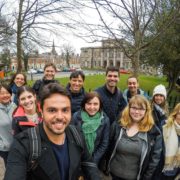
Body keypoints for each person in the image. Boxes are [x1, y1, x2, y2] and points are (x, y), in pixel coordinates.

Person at [4, 83, 100, 180]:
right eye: (52, 110)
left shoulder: (77, 134)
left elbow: (89, 163)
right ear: (41, 111)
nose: (59, 117)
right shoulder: (22, 144)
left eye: (65, 110)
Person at [107, 95, 162, 180]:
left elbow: (154, 161)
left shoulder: (153, 132)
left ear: (146, 111)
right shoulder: (118, 125)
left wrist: (146, 178)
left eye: (141, 109)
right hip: (113, 174)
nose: (136, 112)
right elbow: (108, 146)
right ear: (129, 108)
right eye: (134, 108)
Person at [72, 92, 110, 167]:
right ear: (84, 104)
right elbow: (72, 139)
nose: (92, 107)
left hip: (93, 159)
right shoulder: (76, 117)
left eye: (95, 104)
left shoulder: (105, 120)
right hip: (77, 158)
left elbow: (104, 143)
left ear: (100, 105)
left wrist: (93, 161)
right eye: (89, 103)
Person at [162, 103, 180, 180]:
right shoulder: (165, 125)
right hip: (161, 168)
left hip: (176, 171)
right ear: (175, 114)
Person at [0, 84, 16, 166]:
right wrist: (2, 144)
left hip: (19, 147)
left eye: (7, 93)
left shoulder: (15, 107)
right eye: (2, 93)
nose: (5, 95)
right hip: (5, 149)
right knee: (10, 169)